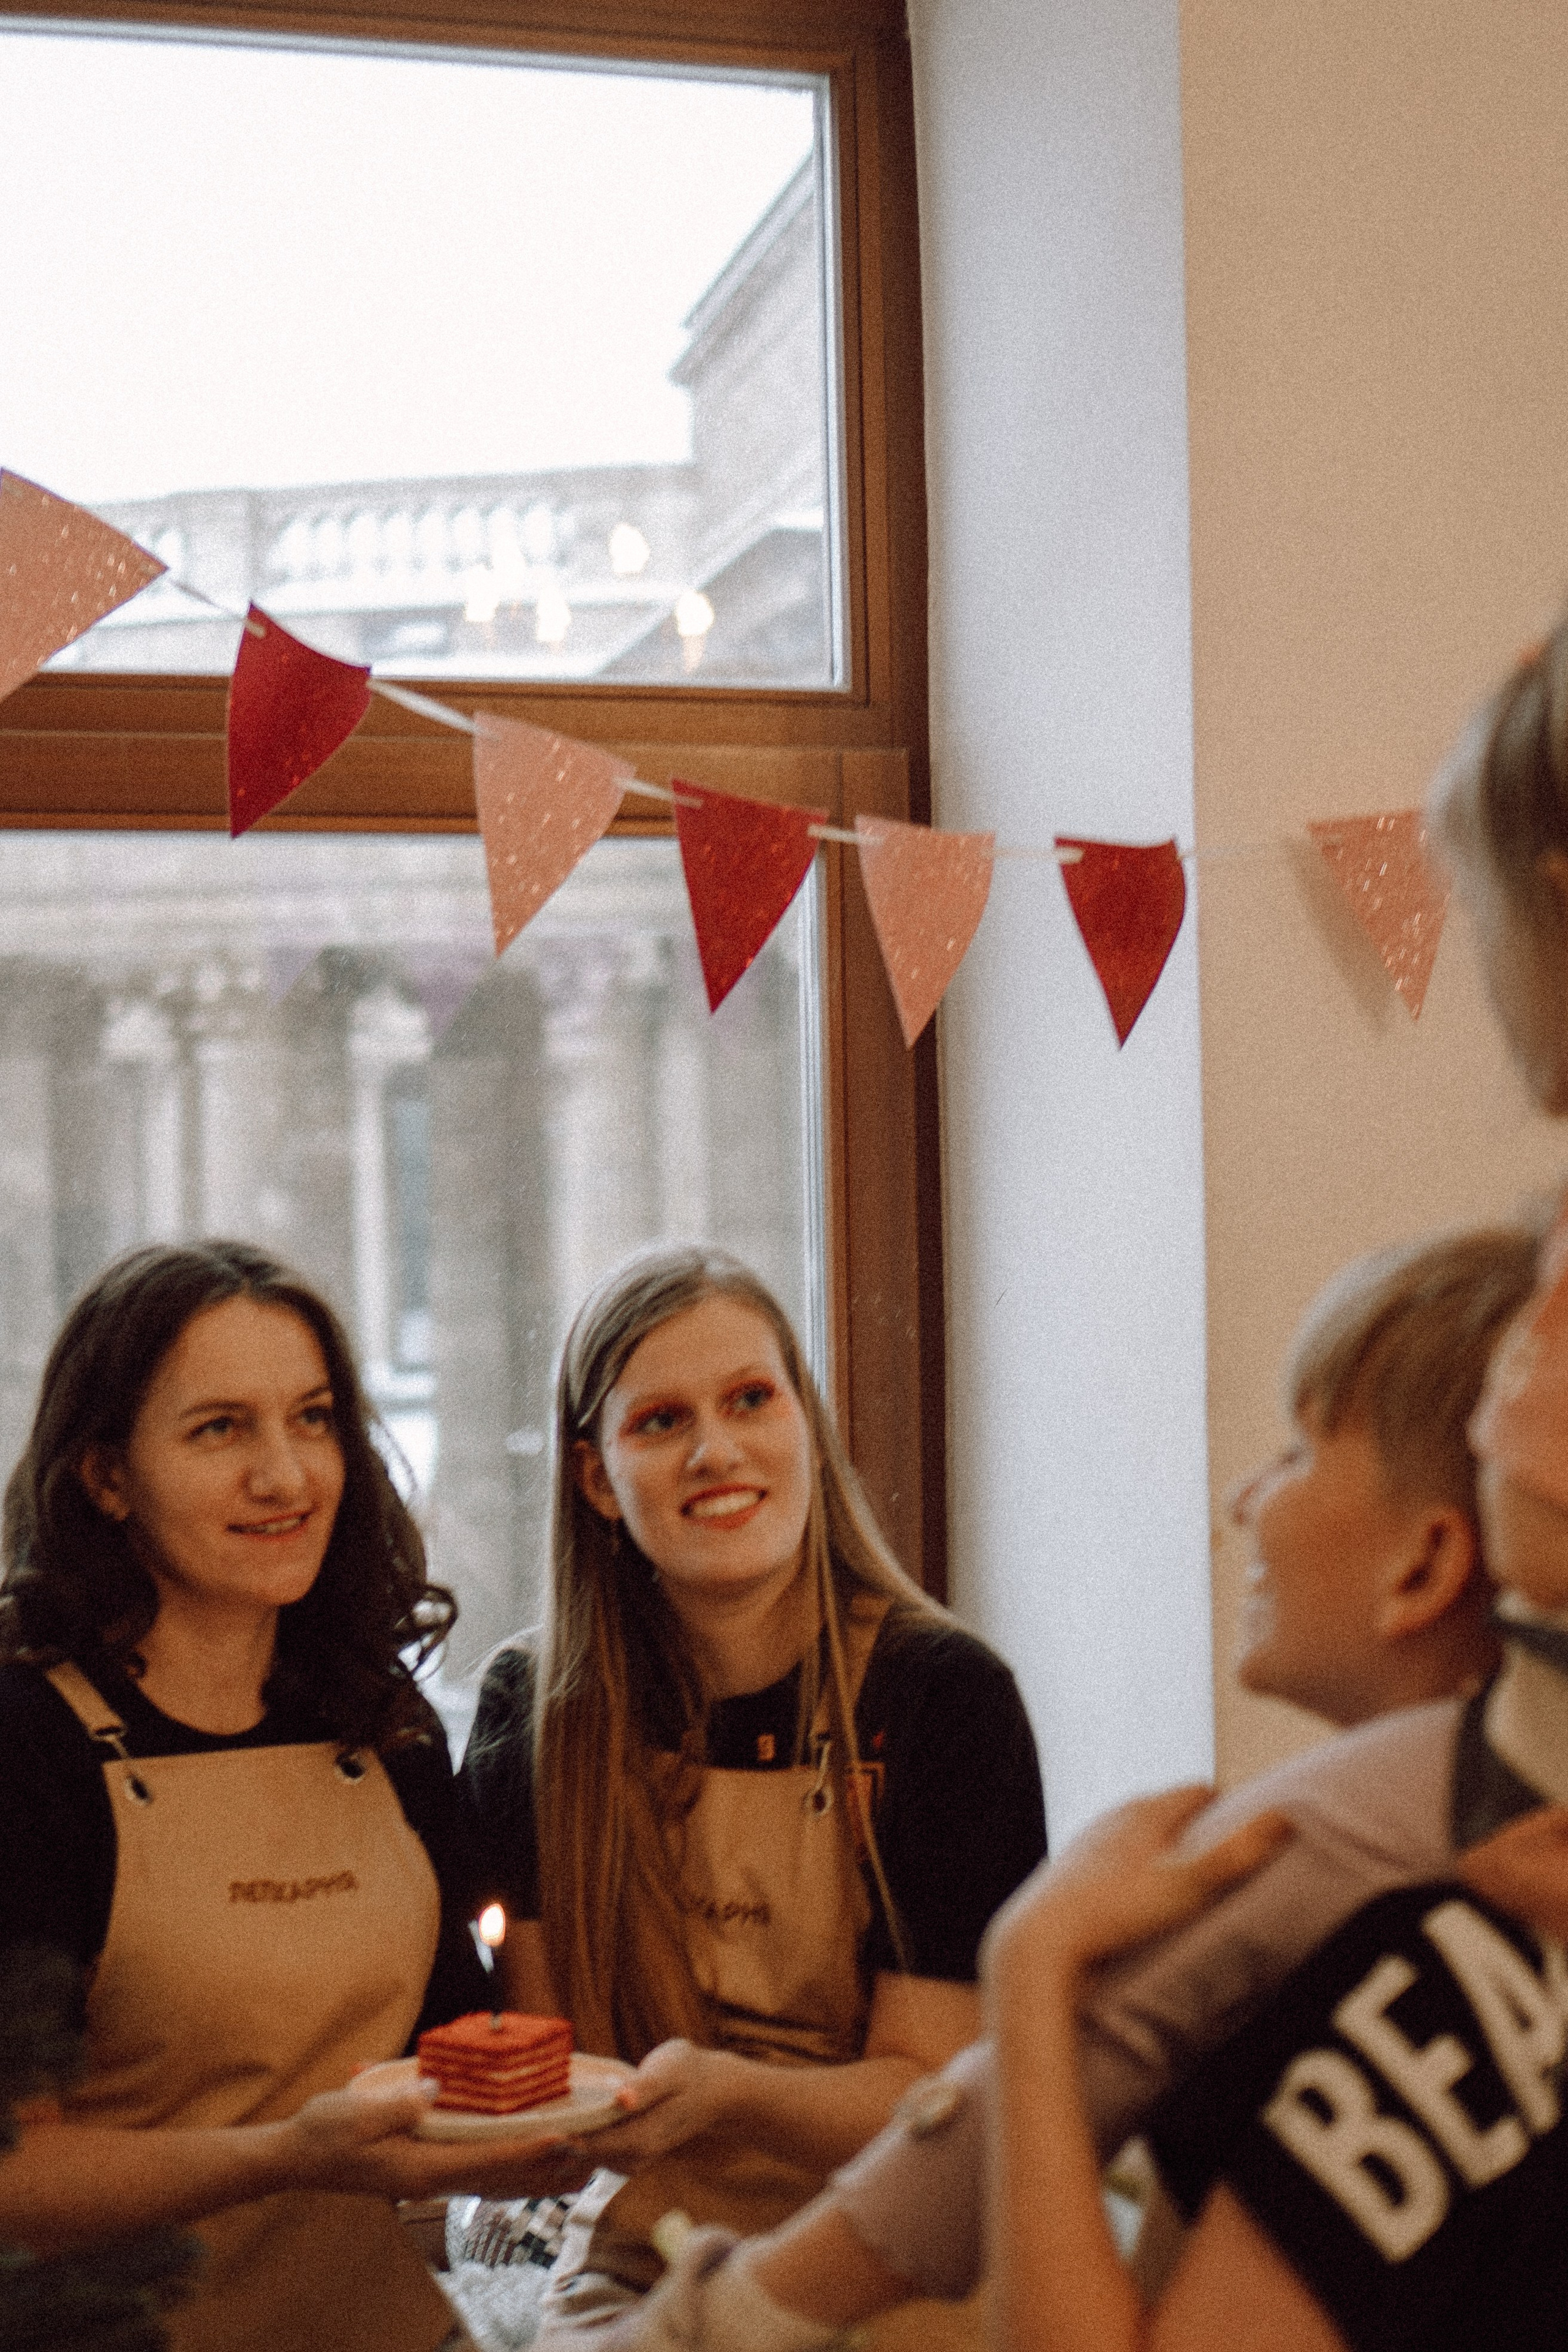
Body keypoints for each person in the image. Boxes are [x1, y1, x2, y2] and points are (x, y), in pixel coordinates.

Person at [576, 1214, 1553, 2349]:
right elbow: (1108, 2057)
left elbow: (1065, 2072)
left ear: (1426, 1565)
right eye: (662, 1422)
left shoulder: (1433, 1953)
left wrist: (1033, 1968)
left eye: (1293, 1454)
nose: (1244, 1497)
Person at [459, 1244, 1046, 2336]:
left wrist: (731, 2093)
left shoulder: (942, 1699)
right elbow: (547, 2069)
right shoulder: (530, 1712)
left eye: (749, 1400)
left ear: (806, 1428)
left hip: (897, 2256)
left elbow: (932, 2101)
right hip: (643, 2258)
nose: (716, 1452)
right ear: (596, 1478)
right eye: (660, 1422)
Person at [0, 1240, 571, 2352]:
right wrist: (289, 2153)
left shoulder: (386, 1732)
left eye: (312, 1418)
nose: (287, 1475)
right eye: (221, 1429)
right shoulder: (27, 1745)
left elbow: (459, 2057)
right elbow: (15, 2173)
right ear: (106, 1475)